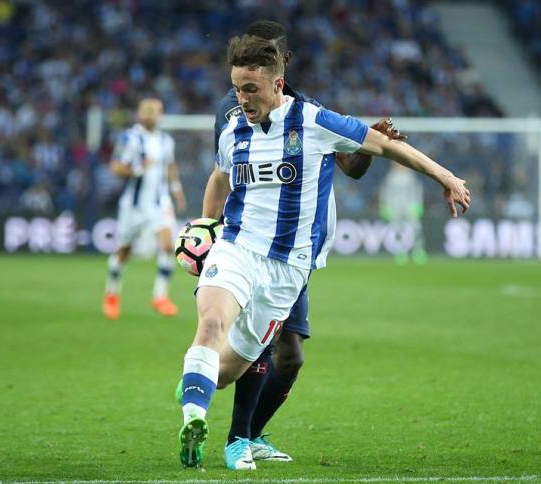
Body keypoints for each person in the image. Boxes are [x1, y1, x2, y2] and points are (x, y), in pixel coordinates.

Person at [177, 34, 470, 470]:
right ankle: (193, 422)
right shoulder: (233, 130)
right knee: (212, 321)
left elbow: (385, 146)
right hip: (236, 248)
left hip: (287, 268)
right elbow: (221, 176)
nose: (242, 99)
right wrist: (206, 225)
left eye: (251, 89)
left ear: (278, 84)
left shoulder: (314, 121)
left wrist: (445, 176)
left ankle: (197, 384)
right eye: (237, 88)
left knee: (225, 373)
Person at [102, 98, 186, 319]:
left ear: (161, 114)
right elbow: (115, 167)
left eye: (155, 111)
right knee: (124, 251)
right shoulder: (130, 138)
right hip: (134, 206)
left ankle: (160, 296)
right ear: (139, 114)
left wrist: (176, 190)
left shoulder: (166, 141)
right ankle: (112, 293)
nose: (151, 114)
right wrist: (138, 169)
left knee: (167, 246)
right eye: (147, 110)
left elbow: (170, 166)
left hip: (160, 203)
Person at [379, 162, 427, 264]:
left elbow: (417, 190)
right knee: (399, 231)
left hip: (410, 206)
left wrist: (418, 204)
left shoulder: (411, 176)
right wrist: (386, 206)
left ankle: (418, 251)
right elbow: (386, 192)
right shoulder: (391, 176)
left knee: (416, 228)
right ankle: (401, 251)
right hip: (395, 207)